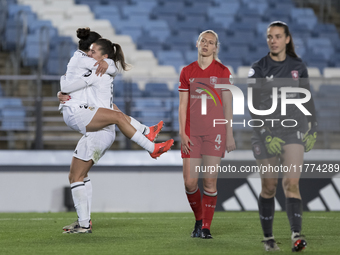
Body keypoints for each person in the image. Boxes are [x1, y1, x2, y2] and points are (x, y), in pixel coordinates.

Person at [58, 28, 173, 234]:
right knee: (78, 176)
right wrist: (107, 63)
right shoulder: (99, 69)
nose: (91, 55)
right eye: (91, 51)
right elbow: (108, 78)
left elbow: (69, 82)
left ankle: (151, 147)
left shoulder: (95, 70)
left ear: (102, 55)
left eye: (95, 52)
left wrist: (63, 89)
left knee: (77, 176)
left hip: (98, 130)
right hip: (96, 127)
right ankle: (84, 222)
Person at [247, 21, 317, 251]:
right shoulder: (258, 68)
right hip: (264, 132)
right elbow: (253, 108)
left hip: (291, 130)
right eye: (269, 37)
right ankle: (268, 238)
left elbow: (307, 100)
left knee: (292, 183)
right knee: (269, 186)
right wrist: (266, 135)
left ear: (287, 39)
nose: (273, 41)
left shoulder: (298, 66)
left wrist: (312, 128)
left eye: (277, 36)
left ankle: (296, 235)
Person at [178, 30, 236, 239]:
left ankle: (206, 227)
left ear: (215, 48)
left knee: (210, 181)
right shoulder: (187, 71)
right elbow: (182, 105)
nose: (206, 45)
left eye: (210, 43)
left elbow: (228, 104)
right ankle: (199, 219)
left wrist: (229, 132)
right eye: (203, 41)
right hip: (192, 133)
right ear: (197, 43)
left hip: (215, 133)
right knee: (190, 183)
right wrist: (182, 133)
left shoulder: (222, 71)